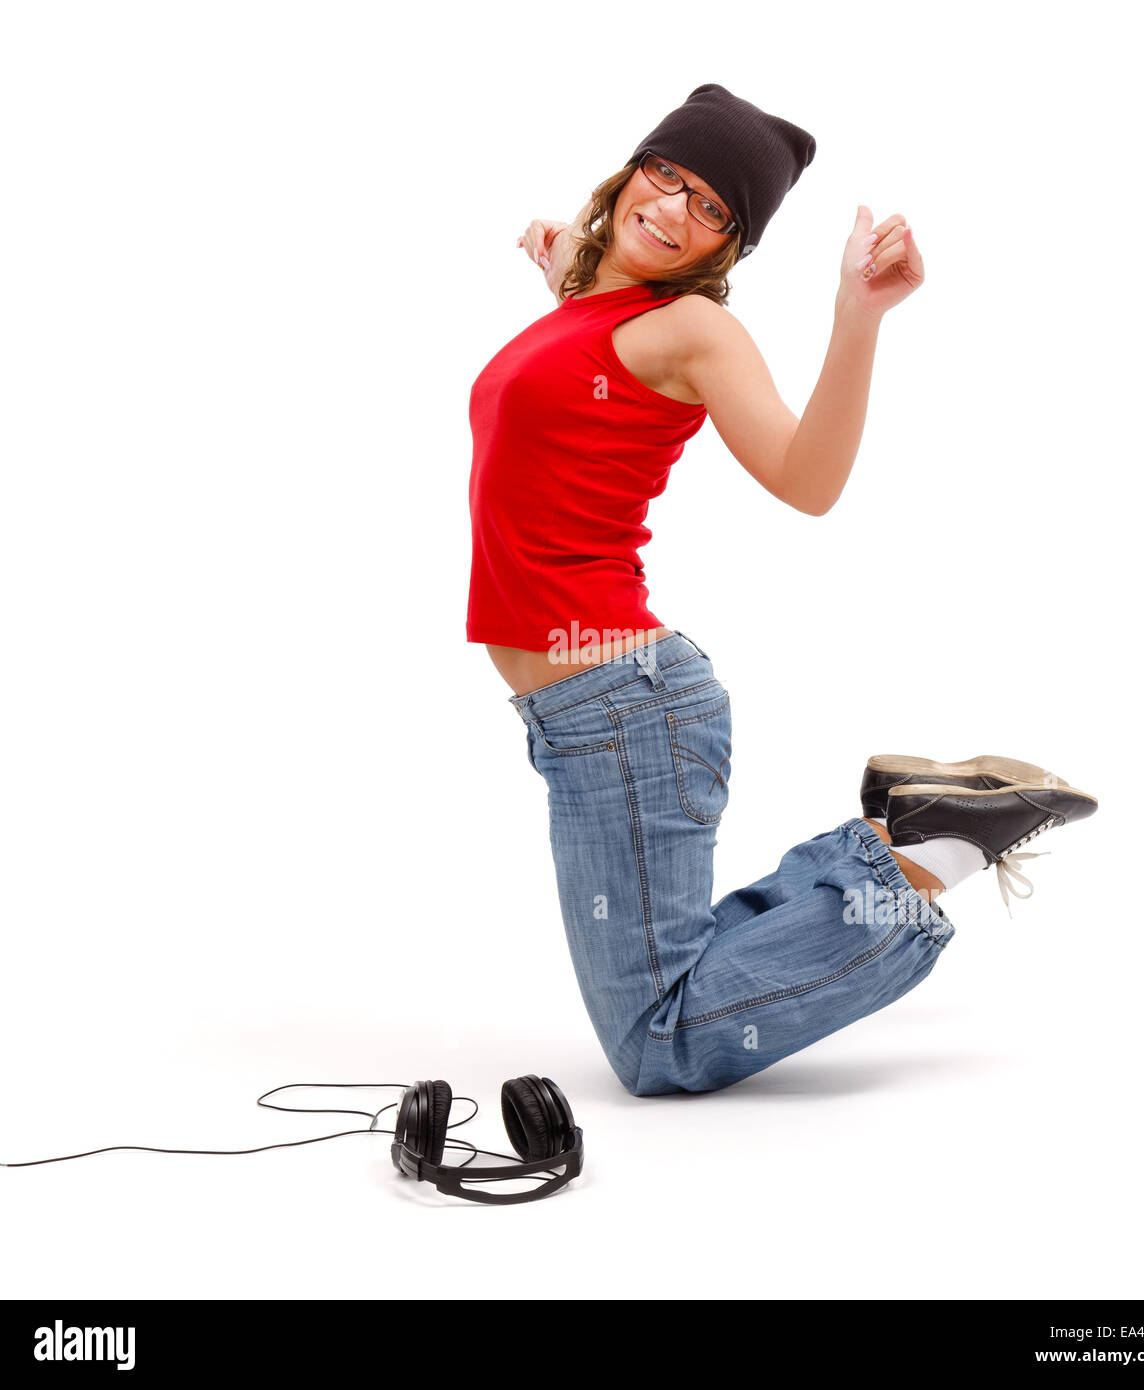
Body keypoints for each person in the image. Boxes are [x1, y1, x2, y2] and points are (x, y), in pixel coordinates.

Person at [466, 84, 1097, 1096]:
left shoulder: (695, 332)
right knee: (672, 989)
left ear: (728, 247)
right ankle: (895, 835)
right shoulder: (603, 315)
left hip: (623, 707)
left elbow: (809, 480)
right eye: (665, 174)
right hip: (586, 708)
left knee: (657, 1040)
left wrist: (857, 318)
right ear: (633, 168)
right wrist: (567, 267)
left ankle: (932, 859)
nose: (672, 208)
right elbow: (586, 391)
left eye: (711, 208)